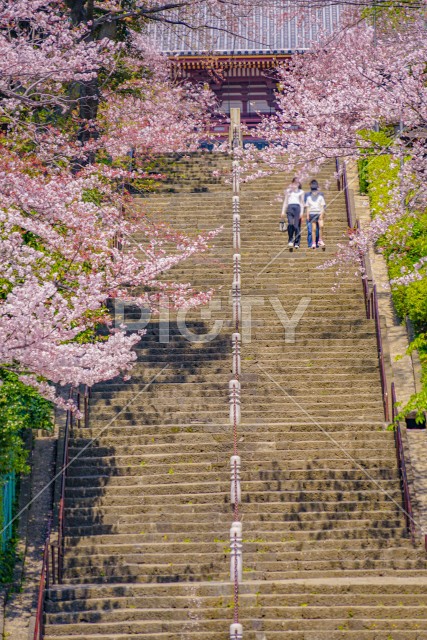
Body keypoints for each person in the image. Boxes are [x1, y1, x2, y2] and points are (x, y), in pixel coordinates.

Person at [280, 178, 304, 249]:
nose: (295, 185)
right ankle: (290, 239)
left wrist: (302, 212)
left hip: (297, 208)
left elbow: (302, 203)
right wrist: (283, 211)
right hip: (290, 208)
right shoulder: (288, 191)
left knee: (297, 226)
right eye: (294, 183)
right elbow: (285, 201)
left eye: (296, 183)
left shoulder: (301, 192)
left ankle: (297, 242)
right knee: (290, 224)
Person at [304, 180, 326, 249]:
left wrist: (322, 213)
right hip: (312, 213)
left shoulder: (320, 195)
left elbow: (323, 206)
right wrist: (307, 215)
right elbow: (307, 206)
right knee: (312, 230)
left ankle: (318, 241)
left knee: (320, 227)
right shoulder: (308, 195)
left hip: (319, 213)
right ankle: (312, 243)